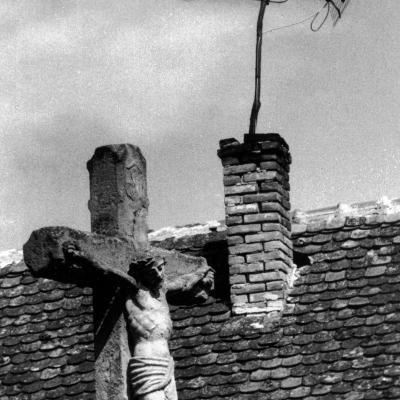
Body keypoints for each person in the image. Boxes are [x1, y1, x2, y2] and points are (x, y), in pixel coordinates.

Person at [63, 244, 214, 400]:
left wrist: (202, 272)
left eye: (161, 268)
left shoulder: (163, 291)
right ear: (144, 274)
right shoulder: (135, 289)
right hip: (147, 363)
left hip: (167, 364)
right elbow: (107, 270)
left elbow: (185, 282)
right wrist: (81, 256)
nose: (159, 274)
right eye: (153, 271)